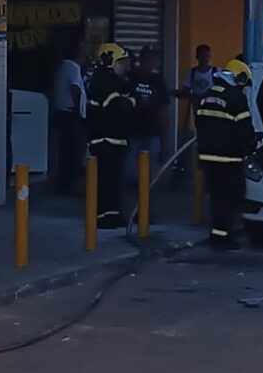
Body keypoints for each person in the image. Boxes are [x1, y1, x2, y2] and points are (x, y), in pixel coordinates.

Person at [194, 59, 256, 251]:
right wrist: (251, 144)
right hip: (229, 158)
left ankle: (219, 232)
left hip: (208, 157)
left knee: (216, 196)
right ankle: (222, 236)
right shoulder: (236, 97)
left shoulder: (207, 95)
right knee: (229, 197)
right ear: (239, 78)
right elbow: (244, 128)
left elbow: (200, 123)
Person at [86, 43, 135, 229]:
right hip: (105, 140)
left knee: (113, 182)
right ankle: (102, 217)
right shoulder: (105, 82)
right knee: (105, 182)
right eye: (122, 62)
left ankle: (112, 215)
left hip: (113, 140)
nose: (126, 65)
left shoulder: (112, 81)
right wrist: (131, 99)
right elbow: (121, 106)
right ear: (110, 61)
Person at [127, 46, 174, 185]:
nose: (150, 62)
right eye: (146, 59)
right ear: (140, 60)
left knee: (149, 175)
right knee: (129, 172)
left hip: (152, 132)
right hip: (131, 132)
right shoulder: (130, 78)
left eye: (153, 59)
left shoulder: (158, 81)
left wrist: (165, 138)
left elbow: (163, 109)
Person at [48, 36, 87, 195]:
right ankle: (69, 185)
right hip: (70, 114)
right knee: (73, 152)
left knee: (65, 151)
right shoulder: (73, 67)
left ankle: (64, 183)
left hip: (61, 113)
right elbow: (75, 89)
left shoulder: (62, 66)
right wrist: (79, 112)